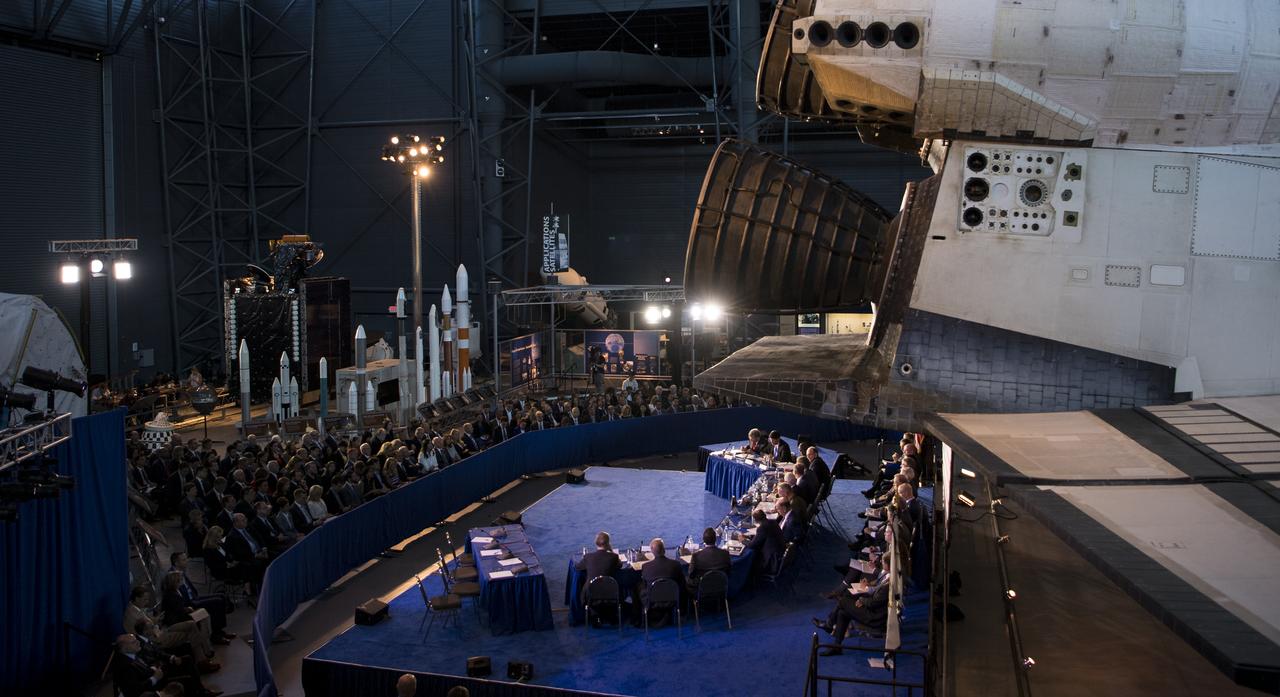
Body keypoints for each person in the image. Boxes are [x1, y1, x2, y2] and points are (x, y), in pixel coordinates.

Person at [123, 586, 217, 673]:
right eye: (145, 599)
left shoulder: (139, 609)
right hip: (157, 638)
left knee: (191, 624)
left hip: (160, 630)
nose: (147, 602)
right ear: (136, 598)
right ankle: (202, 661)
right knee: (190, 633)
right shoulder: (133, 614)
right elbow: (143, 632)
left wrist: (156, 621)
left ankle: (204, 654)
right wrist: (154, 622)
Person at [110, 634, 220, 697]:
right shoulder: (124, 666)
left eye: (136, 640)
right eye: (134, 642)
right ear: (124, 648)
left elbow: (146, 664)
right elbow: (134, 690)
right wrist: (154, 678)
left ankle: (202, 691)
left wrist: (153, 669)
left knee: (186, 661)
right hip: (152, 686)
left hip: (155, 673)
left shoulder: (132, 653)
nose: (138, 643)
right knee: (187, 681)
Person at [167, 553, 233, 643]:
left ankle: (219, 631)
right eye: (183, 560)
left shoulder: (181, 571)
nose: (187, 562)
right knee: (217, 602)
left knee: (221, 596)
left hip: (194, 597)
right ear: (176, 562)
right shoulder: (173, 576)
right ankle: (216, 635)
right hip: (189, 603)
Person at [639, 538, 683, 625]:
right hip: (673, 598)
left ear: (652, 551)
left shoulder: (646, 567)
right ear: (664, 549)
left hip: (652, 601)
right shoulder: (675, 565)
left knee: (638, 586)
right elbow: (681, 583)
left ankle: (640, 618)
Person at [575, 531, 622, 603]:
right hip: (609, 594)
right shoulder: (614, 557)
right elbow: (620, 565)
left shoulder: (588, 557)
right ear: (608, 543)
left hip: (589, 595)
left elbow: (577, 567)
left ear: (596, 543)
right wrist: (611, 550)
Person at [745, 509, 785, 576]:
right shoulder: (773, 522)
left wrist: (742, 540)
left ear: (755, 520)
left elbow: (752, 545)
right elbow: (762, 537)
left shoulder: (762, 527)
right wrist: (749, 536)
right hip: (778, 553)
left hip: (770, 561)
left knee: (750, 562)